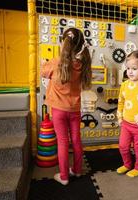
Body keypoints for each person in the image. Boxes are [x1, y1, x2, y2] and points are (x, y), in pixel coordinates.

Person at [40, 27, 92, 185]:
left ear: (64, 43)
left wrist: (44, 63)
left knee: (62, 142)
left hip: (58, 110)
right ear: (80, 45)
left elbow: (43, 72)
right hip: (74, 109)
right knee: (76, 140)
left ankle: (63, 177)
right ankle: (76, 170)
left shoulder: (55, 62)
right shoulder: (82, 64)